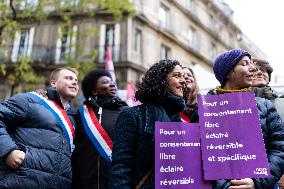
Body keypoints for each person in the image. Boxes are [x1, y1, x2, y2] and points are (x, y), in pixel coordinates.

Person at [209, 49, 284, 189]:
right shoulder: (206, 109)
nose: (253, 68)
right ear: (229, 73)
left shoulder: (265, 106)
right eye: (245, 64)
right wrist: (224, 186)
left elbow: (279, 148)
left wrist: (257, 181)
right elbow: (201, 154)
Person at [108, 59, 186, 188]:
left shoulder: (182, 123)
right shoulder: (132, 116)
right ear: (161, 80)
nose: (183, 81)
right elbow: (121, 166)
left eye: (183, 77)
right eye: (177, 76)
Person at [0, 67, 79, 188]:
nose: (74, 82)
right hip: (19, 182)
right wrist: (8, 151)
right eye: (68, 78)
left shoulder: (74, 119)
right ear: (53, 83)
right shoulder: (30, 100)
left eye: (76, 80)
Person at [72, 70, 127, 189]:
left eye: (113, 82)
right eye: (106, 82)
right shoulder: (80, 116)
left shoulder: (127, 113)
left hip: (118, 183)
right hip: (85, 183)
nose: (112, 84)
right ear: (94, 90)